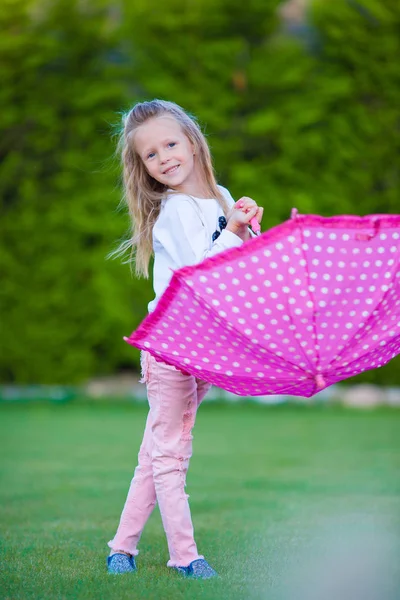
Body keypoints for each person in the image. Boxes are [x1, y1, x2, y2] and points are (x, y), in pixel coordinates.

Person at [107, 99, 263, 578]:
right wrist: (233, 231)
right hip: (172, 346)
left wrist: (250, 228)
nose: (164, 158)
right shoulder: (173, 210)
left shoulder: (219, 195)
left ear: (193, 142)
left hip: (204, 348)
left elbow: (235, 271)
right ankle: (185, 557)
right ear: (144, 167)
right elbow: (198, 274)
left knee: (155, 454)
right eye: (151, 154)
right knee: (171, 455)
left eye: (171, 144)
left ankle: (121, 549)